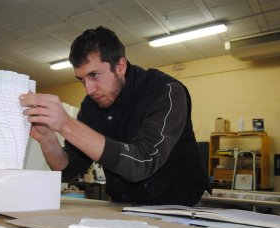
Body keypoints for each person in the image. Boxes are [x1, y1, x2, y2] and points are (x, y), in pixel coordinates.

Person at [20, 26, 211, 206]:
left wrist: (67, 125)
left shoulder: (165, 92)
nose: (89, 89)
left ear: (120, 66)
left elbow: (142, 162)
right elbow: (69, 170)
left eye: (94, 75)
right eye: (82, 80)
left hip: (179, 207)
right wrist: (48, 141)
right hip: (124, 207)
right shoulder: (91, 107)